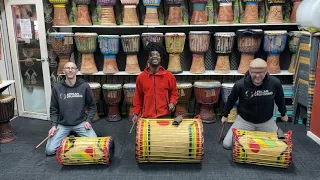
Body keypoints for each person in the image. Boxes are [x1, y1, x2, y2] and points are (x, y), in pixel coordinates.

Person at [222, 58, 288, 149]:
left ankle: (270, 131)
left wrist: (283, 113)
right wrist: (225, 115)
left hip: (266, 121)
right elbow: (231, 100)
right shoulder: (240, 84)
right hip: (244, 121)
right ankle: (255, 135)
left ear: (266, 71)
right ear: (249, 70)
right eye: (254, 72)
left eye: (261, 72)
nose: (257, 75)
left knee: (282, 145)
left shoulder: (275, 83)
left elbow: (280, 99)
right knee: (227, 144)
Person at [45, 62, 97, 155]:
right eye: (67, 68)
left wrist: (88, 120)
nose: (70, 70)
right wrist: (53, 125)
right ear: (63, 71)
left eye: (72, 68)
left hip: (80, 123)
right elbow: (54, 109)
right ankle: (68, 135)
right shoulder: (57, 88)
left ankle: (71, 136)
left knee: (95, 146)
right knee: (49, 151)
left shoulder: (84, 86)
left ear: (76, 71)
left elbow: (92, 106)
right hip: (63, 124)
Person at [131, 42, 179, 122]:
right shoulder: (141, 77)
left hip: (164, 115)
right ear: (148, 58)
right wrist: (136, 113)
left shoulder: (169, 76)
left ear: (161, 57)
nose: (155, 57)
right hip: (147, 117)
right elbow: (138, 97)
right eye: (152, 55)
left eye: (157, 55)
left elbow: (174, 93)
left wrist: (172, 103)